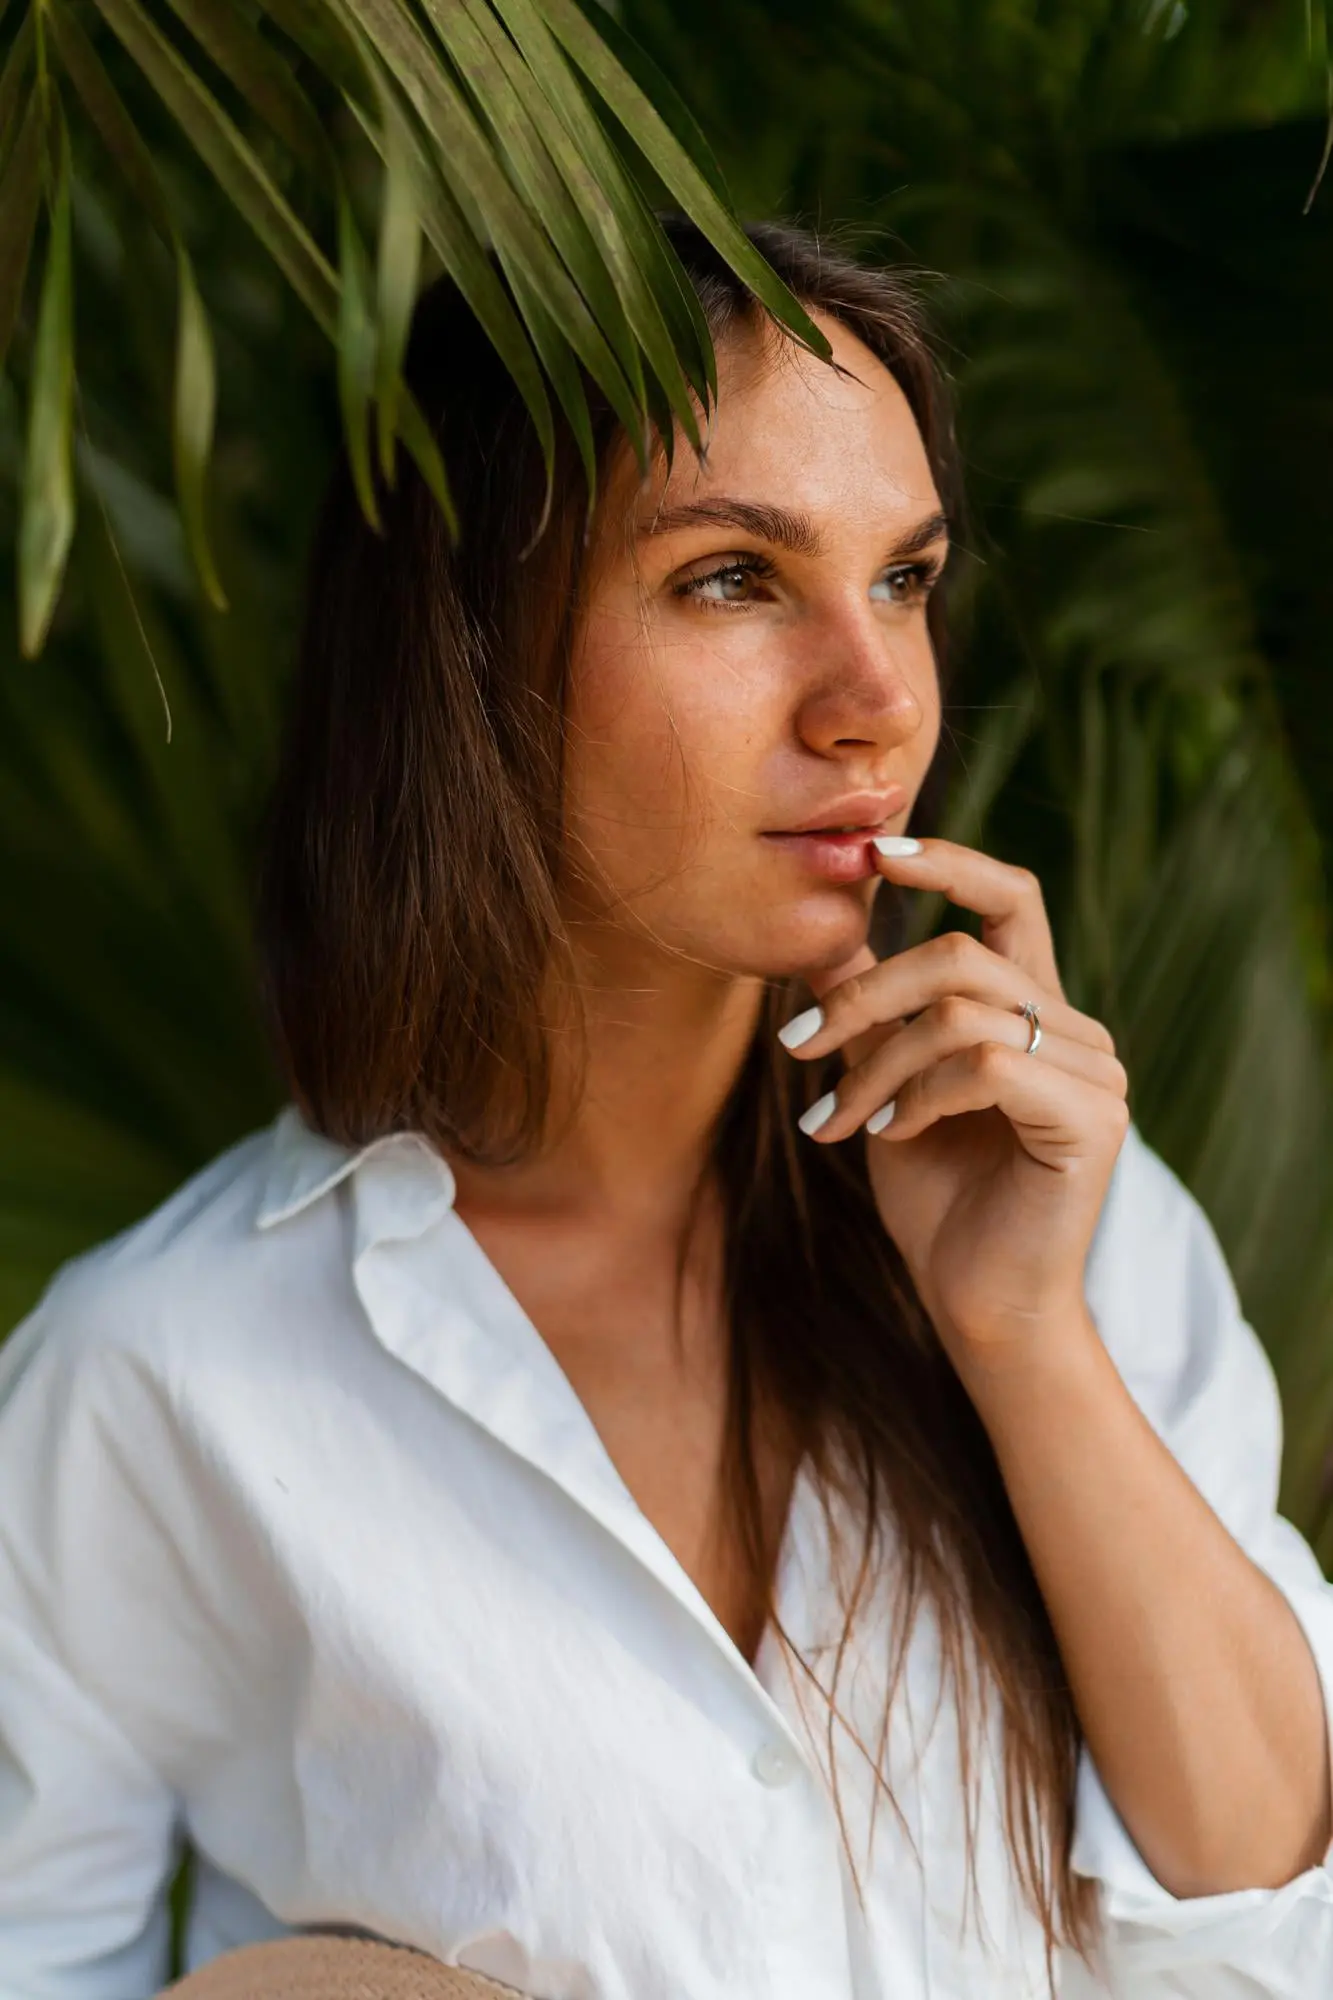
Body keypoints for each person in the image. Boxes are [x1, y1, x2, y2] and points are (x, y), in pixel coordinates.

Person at [0, 219, 1330, 2000]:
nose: (876, 705)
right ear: (469, 642)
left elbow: (1274, 1898)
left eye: (906, 580)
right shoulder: (160, 1375)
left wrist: (1025, 1338)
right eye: (733, 580)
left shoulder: (1054, 1211)